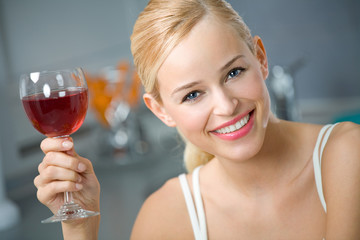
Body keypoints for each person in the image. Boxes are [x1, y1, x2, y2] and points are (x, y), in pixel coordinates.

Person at [34, 0, 360, 239]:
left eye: (234, 72)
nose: (226, 106)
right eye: (193, 94)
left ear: (260, 59)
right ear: (160, 110)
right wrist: (80, 227)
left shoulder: (346, 153)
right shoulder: (167, 215)